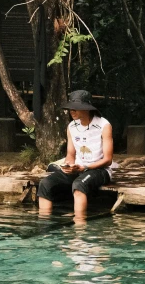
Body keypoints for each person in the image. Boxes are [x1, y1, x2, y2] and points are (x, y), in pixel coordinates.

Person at [37, 89, 116, 219]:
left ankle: (79, 227)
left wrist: (85, 168)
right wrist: (68, 165)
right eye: (70, 108)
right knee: (45, 183)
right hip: (78, 168)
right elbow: (70, 154)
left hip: (100, 170)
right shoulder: (71, 127)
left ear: (87, 109)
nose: (71, 111)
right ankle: (44, 223)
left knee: (79, 185)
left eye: (76, 108)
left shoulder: (104, 125)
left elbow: (108, 160)